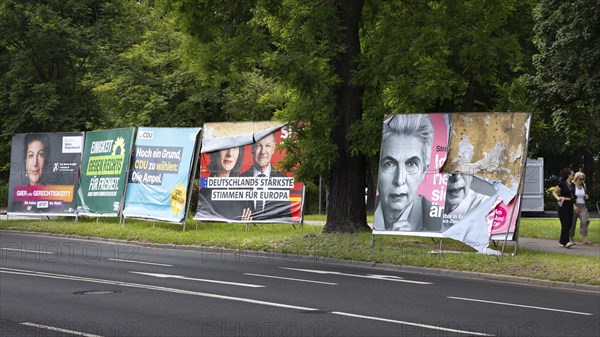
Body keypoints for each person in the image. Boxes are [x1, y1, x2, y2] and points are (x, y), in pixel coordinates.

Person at [374, 114, 435, 231]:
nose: (399, 180)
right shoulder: (367, 209)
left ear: (423, 171)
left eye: (411, 164)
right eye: (389, 164)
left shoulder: (435, 221)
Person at [241, 133, 291, 221]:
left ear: (273, 149)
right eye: (258, 146)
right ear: (252, 149)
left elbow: (286, 216)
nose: (263, 152)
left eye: (267, 146)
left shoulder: (283, 181)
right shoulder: (239, 180)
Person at [197, 146, 252, 221]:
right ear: (215, 153)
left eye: (235, 148)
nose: (230, 154)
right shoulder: (205, 194)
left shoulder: (244, 193)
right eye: (225, 147)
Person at [552, 168, 575, 248]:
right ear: (568, 175)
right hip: (563, 204)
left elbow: (573, 195)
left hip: (570, 204)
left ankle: (562, 241)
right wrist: (558, 198)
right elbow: (554, 192)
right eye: (572, 174)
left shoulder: (573, 185)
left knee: (569, 223)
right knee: (565, 223)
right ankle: (566, 242)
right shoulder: (562, 184)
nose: (573, 176)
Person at [570, 172, 591, 244]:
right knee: (572, 223)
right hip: (574, 205)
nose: (582, 181)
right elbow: (571, 196)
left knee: (586, 220)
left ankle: (584, 237)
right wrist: (574, 206)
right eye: (580, 179)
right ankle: (571, 238)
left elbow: (584, 194)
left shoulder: (584, 185)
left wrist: (586, 196)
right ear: (576, 178)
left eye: (583, 179)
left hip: (582, 205)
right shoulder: (572, 185)